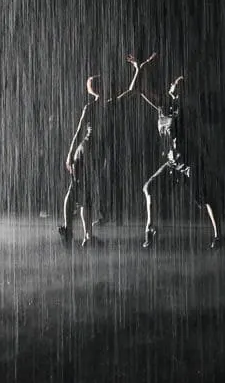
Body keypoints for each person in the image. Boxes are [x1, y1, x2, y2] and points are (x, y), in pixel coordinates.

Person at [59, 53, 157, 247]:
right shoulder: (109, 106)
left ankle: (79, 234)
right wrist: (138, 69)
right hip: (89, 154)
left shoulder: (93, 107)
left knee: (81, 193)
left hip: (85, 152)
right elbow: (133, 90)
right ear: (100, 88)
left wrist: (70, 154)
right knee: (79, 192)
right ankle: (74, 232)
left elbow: (78, 132)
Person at [130, 61, 221, 249]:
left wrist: (206, 156)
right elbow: (137, 90)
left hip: (189, 162)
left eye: (181, 86)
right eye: (175, 84)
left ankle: (218, 235)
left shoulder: (185, 110)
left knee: (203, 200)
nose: (175, 87)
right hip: (172, 162)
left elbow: (199, 135)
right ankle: (150, 229)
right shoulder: (163, 106)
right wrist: (140, 67)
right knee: (149, 187)